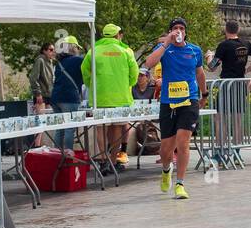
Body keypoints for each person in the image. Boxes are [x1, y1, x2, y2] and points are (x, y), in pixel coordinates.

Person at [141, 18, 206, 200]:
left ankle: (180, 184)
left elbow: (200, 72)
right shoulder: (165, 48)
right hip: (168, 102)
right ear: (170, 31)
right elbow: (148, 63)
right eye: (175, 28)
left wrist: (205, 94)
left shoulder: (194, 50)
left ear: (185, 32)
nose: (178, 31)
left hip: (189, 100)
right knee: (165, 149)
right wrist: (166, 43)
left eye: (182, 28)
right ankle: (166, 170)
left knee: (183, 142)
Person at [82, 24, 138, 169]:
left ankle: (102, 159)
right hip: (121, 98)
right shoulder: (126, 50)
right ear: (118, 35)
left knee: (100, 128)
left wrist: (91, 84)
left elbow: (85, 70)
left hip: (99, 97)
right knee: (118, 128)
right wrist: (129, 84)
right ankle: (113, 161)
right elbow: (134, 73)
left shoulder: (94, 50)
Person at [208, 20, 251, 155]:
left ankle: (220, 151)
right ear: (238, 30)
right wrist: (249, 68)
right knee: (238, 119)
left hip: (226, 85)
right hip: (240, 85)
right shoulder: (245, 44)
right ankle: (236, 153)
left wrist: (209, 56)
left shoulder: (223, 45)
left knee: (220, 118)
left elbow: (212, 67)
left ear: (226, 30)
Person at [49, 36, 85, 157]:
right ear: (73, 47)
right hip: (70, 97)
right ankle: (68, 155)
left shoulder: (59, 62)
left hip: (55, 98)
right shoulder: (78, 60)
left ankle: (57, 155)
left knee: (60, 128)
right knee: (70, 128)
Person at [29, 42, 55, 112]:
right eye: (51, 50)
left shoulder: (51, 62)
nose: (53, 52)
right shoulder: (40, 60)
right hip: (41, 96)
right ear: (44, 51)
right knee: (41, 119)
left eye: (53, 50)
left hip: (49, 96)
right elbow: (33, 78)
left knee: (50, 120)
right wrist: (38, 94)